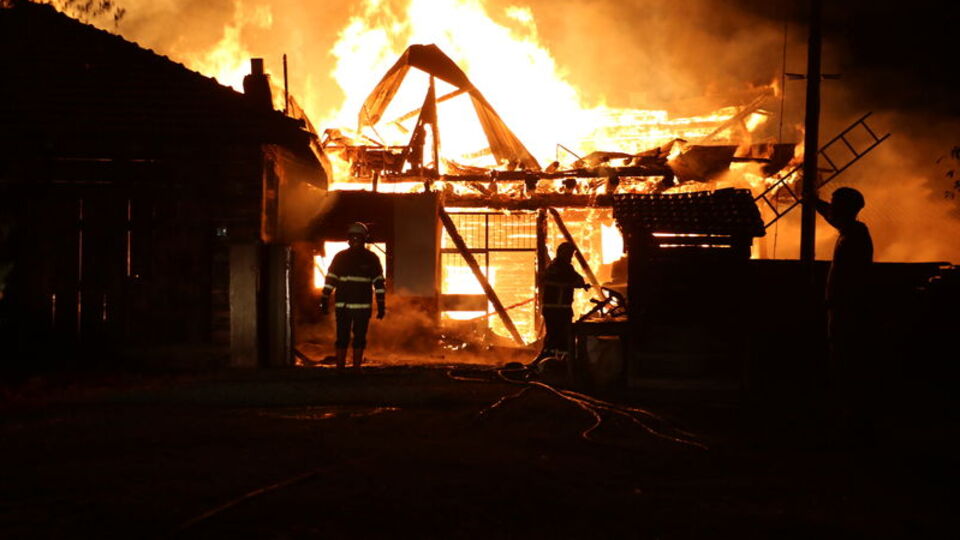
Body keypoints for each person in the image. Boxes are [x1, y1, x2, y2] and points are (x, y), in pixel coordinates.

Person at [815, 187, 874, 437]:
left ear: (847, 208)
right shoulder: (852, 231)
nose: (831, 207)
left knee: (845, 362)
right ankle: (846, 417)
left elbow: (852, 278)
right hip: (843, 306)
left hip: (847, 308)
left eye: (834, 203)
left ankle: (849, 420)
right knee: (841, 359)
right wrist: (813, 202)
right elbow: (833, 217)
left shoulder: (855, 234)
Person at [320, 222, 386, 369]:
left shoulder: (364, 258)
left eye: (358, 237)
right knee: (348, 337)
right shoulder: (366, 258)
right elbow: (331, 279)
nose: (355, 240)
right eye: (353, 237)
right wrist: (324, 297)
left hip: (350, 307)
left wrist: (381, 304)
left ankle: (350, 368)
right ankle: (347, 368)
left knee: (352, 338)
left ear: (363, 239)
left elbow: (379, 284)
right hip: (354, 307)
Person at [533, 242, 591, 366]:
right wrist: (571, 284)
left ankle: (559, 362)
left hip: (562, 309)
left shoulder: (566, 267)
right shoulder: (555, 267)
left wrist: (580, 283)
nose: (570, 256)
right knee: (556, 336)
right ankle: (551, 363)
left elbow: (578, 279)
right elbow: (555, 280)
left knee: (562, 337)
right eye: (569, 253)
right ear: (562, 253)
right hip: (555, 309)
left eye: (571, 254)